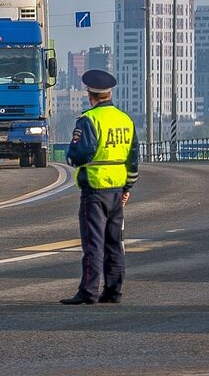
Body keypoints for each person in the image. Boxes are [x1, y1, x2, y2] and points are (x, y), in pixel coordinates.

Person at [60, 69, 139, 305]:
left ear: (89, 93)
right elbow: (133, 158)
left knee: (94, 243)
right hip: (117, 191)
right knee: (115, 243)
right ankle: (113, 291)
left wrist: (70, 157)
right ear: (109, 93)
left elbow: (79, 154)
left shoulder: (89, 120)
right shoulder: (125, 120)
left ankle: (89, 291)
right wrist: (128, 187)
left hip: (94, 190)